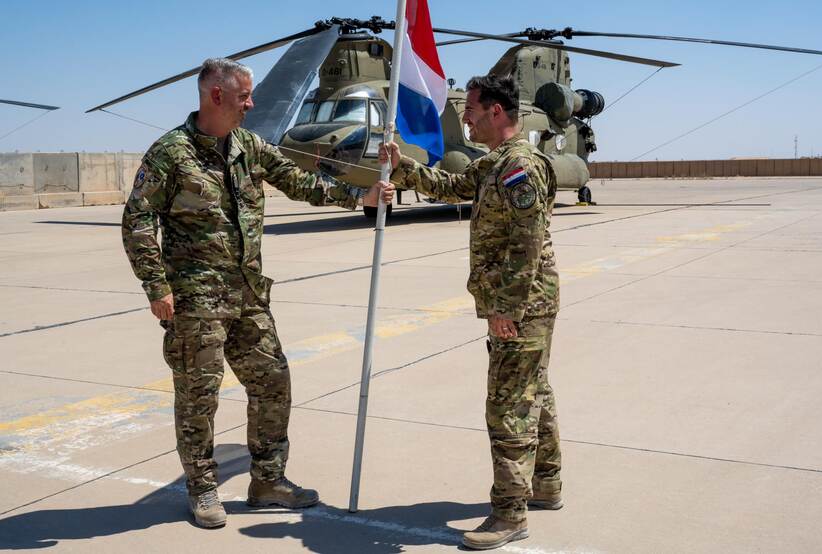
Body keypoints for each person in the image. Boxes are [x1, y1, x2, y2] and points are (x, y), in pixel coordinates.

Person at [122, 58, 394, 528]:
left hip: (249, 296)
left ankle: (267, 479)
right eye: (244, 96)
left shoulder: (249, 146)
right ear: (216, 96)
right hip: (195, 301)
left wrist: (360, 198)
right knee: (198, 397)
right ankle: (202, 487)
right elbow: (138, 221)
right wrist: (156, 286)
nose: (252, 104)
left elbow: (298, 180)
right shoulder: (170, 153)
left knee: (273, 382)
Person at [378, 74, 561, 550]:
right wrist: (405, 168)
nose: (466, 119)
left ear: (497, 112)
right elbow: (454, 185)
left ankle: (509, 514)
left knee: (508, 406)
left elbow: (528, 241)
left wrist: (506, 307)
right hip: (522, 301)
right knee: (531, 390)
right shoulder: (496, 163)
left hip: (521, 303)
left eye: (472, 111)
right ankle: (546, 483)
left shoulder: (520, 166)